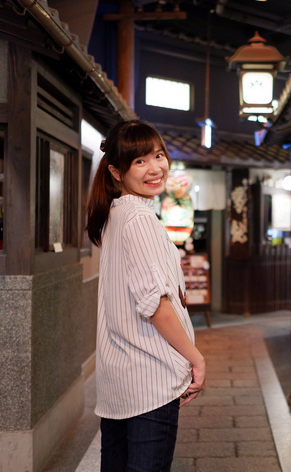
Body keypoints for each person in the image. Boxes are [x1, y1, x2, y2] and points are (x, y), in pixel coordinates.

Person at [86, 120, 205, 471]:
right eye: (139, 161)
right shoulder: (138, 218)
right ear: (116, 172)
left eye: (158, 155)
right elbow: (155, 305)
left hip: (120, 381)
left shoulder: (117, 213)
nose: (155, 168)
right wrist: (196, 358)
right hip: (149, 380)